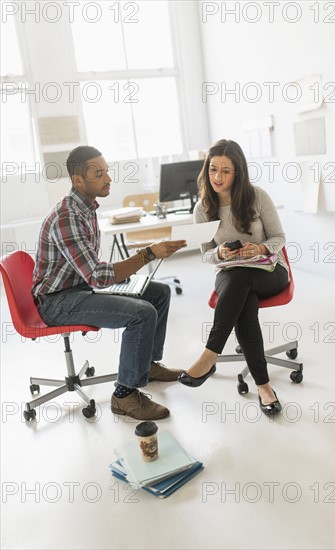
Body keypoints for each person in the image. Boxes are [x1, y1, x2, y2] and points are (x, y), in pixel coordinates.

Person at [32, 145, 187, 421]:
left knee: (158, 292)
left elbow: (93, 272)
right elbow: (99, 276)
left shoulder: (87, 208)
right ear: (78, 180)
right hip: (57, 302)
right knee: (142, 313)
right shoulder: (67, 217)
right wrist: (148, 253)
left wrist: (128, 273)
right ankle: (124, 395)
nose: (108, 178)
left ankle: (148, 365)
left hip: (79, 288)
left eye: (107, 171)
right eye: (98, 173)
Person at [178, 139, 289, 414]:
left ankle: (209, 354)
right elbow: (205, 254)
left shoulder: (257, 197)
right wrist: (220, 254)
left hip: (269, 271)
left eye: (225, 171)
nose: (217, 176)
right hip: (230, 273)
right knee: (244, 303)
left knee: (243, 282)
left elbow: (279, 237)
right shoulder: (202, 208)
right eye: (213, 169)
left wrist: (261, 247)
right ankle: (264, 387)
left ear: (238, 172)